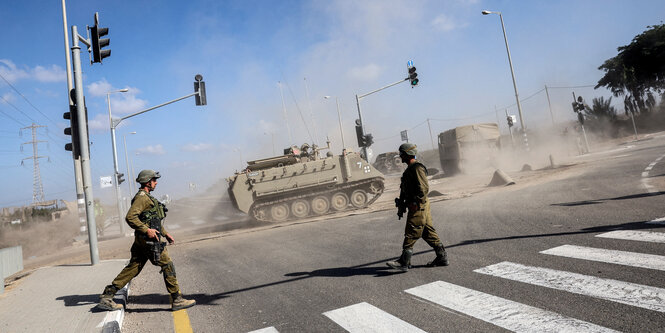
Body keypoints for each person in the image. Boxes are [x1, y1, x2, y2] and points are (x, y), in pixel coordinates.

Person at [98, 169, 196, 311]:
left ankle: (107, 296)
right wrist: (147, 231)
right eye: (154, 180)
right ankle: (177, 299)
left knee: (134, 267)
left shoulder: (147, 197)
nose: (156, 183)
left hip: (143, 240)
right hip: (148, 240)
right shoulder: (142, 198)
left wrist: (166, 233)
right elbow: (130, 217)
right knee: (167, 264)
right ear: (147, 182)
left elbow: (152, 220)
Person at [387, 143, 449, 272]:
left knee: (411, 231)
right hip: (418, 205)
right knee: (427, 232)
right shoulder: (410, 169)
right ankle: (442, 257)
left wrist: (415, 203)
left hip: (418, 206)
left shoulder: (416, 168)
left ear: (407, 154)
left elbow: (424, 188)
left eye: (402, 154)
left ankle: (404, 262)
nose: (400, 156)